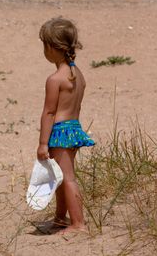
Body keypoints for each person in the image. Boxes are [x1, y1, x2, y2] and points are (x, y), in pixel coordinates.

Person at [37, 17, 95, 234]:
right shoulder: (77, 75)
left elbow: (49, 112)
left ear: (52, 48)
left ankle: (78, 223)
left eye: (44, 45)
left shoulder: (55, 79)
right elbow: (76, 107)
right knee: (61, 177)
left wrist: (43, 143)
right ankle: (60, 218)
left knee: (67, 178)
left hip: (59, 132)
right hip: (73, 129)